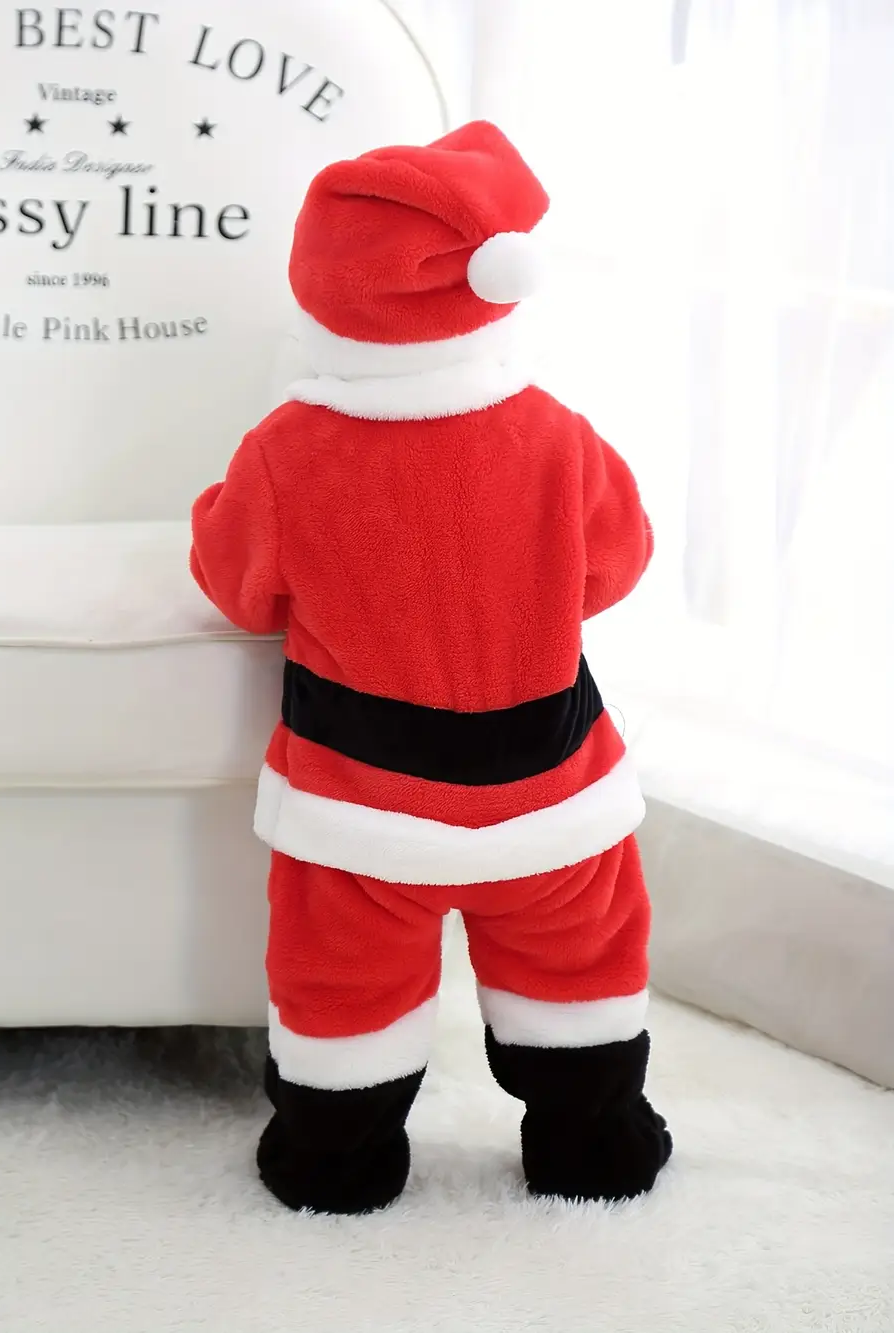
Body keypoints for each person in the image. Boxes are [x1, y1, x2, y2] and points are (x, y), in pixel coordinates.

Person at [190, 121, 672, 1215]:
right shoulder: (557, 436)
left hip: (362, 812)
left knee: (342, 987)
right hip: (550, 798)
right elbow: (616, 562)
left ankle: (335, 1165)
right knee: (578, 972)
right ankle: (592, 1145)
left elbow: (237, 587)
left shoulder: (285, 452)